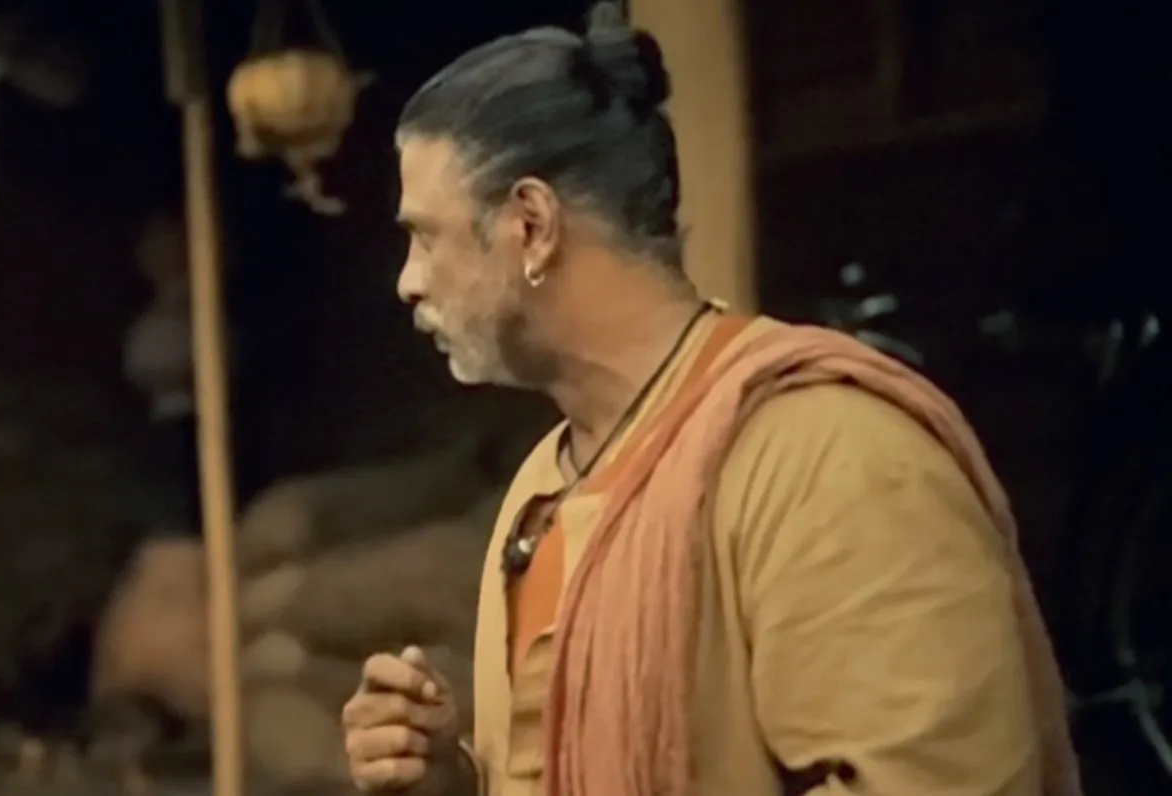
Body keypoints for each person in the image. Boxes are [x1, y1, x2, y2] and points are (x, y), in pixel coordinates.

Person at [339, 5, 1082, 796]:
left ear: (532, 224)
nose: (408, 281)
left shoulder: (831, 460)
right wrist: (452, 780)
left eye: (427, 237)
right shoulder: (544, 486)